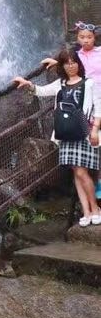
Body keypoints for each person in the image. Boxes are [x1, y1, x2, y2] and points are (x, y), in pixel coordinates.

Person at [14, 46, 101, 227]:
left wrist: (95, 130)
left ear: (79, 64)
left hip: (84, 132)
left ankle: (95, 209)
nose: (71, 66)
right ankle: (85, 212)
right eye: (67, 64)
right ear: (62, 66)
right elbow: (41, 91)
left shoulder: (89, 83)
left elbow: (98, 108)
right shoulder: (60, 84)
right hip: (65, 134)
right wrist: (27, 84)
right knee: (76, 173)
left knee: (82, 172)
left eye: (73, 62)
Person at [43, 24, 101, 199]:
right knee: (94, 141)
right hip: (87, 104)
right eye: (82, 37)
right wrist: (56, 63)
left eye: (89, 37)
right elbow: (70, 65)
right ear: (77, 38)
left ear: (95, 37)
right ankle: (95, 182)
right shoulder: (78, 55)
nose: (85, 40)